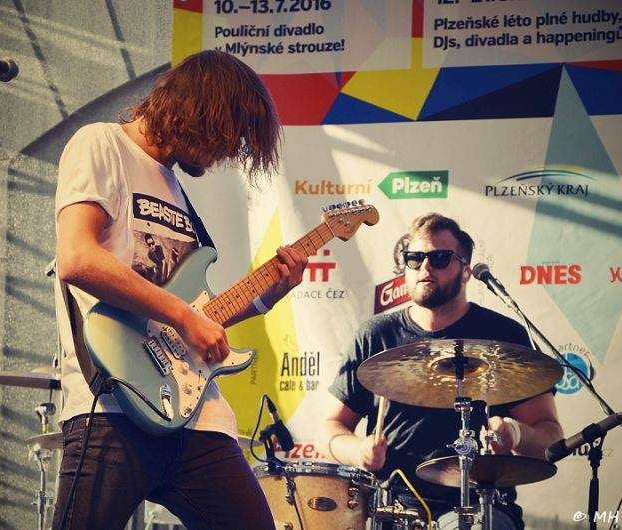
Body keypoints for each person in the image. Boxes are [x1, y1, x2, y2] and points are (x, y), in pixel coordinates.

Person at [52, 50, 307, 530]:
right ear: (200, 113)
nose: (228, 154)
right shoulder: (101, 144)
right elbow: (78, 258)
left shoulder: (176, 189)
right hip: (113, 403)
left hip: (195, 416)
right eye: (228, 137)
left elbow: (195, 314)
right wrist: (185, 316)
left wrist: (269, 293)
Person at [319, 213, 563, 529]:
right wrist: (359, 452)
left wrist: (516, 433)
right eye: (414, 258)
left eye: (439, 258)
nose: (425, 267)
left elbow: (550, 437)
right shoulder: (376, 336)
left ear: (466, 271)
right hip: (396, 506)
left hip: (482, 504)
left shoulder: (504, 334)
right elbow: (330, 428)